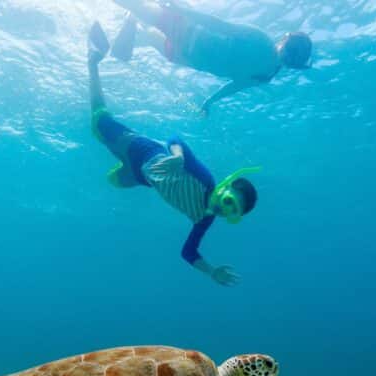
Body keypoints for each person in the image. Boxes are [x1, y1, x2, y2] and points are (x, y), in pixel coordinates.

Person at [87, 23, 260, 287]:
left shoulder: (204, 219)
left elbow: (187, 252)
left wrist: (211, 272)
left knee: (111, 181)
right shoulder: (204, 178)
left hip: (141, 177)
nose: (223, 210)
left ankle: (116, 161)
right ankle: (94, 60)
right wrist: (178, 157)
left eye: (231, 212)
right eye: (228, 201)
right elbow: (174, 139)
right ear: (223, 188)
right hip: (141, 150)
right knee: (98, 122)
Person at [109, 0, 312, 114]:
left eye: (293, 56)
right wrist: (184, 11)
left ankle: (134, 25)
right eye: (290, 49)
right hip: (189, 34)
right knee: (140, 9)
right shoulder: (260, 42)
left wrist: (209, 101)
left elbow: (234, 86)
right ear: (285, 41)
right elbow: (219, 25)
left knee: (149, 35)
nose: (287, 55)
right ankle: (134, 21)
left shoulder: (265, 74)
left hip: (187, 55)